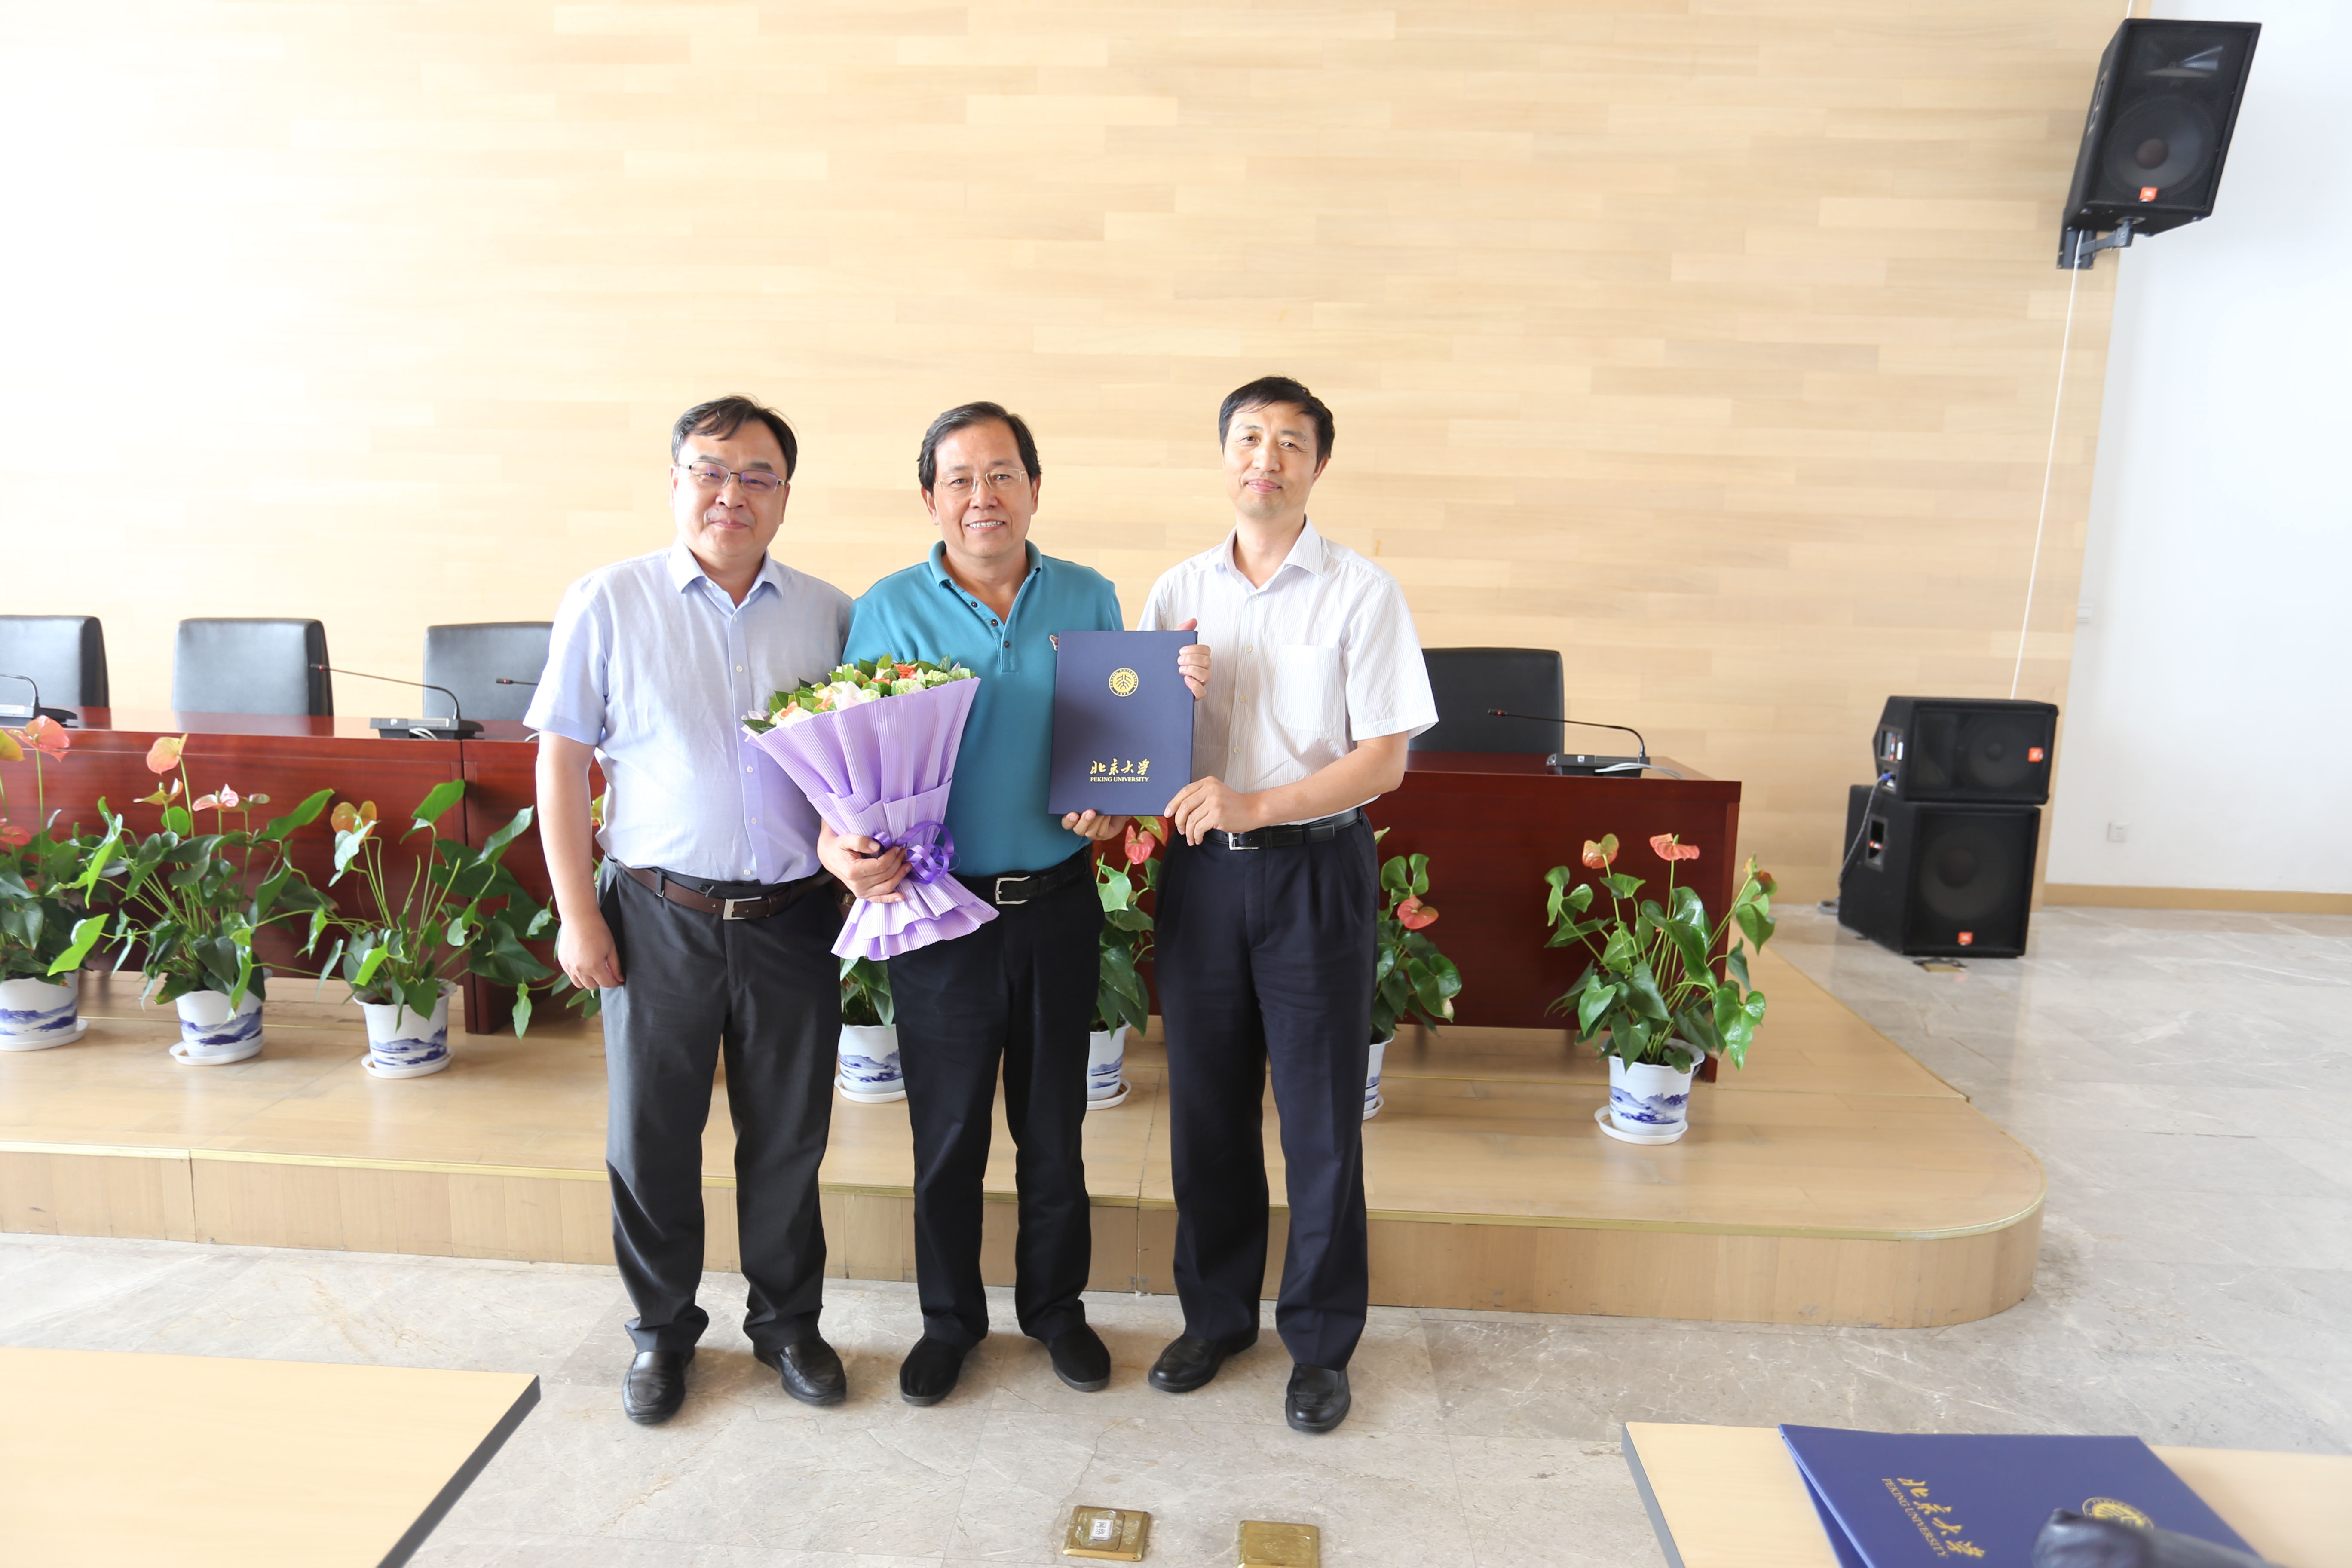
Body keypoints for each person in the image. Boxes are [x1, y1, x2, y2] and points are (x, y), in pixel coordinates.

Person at [823, 401, 1207, 1406]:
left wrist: (1114, 800)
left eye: (1002, 474)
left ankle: (1055, 1308)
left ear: (1035, 488)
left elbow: (1119, 738)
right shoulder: (887, 609)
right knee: (947, 1135)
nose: (982, 496)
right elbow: (854, 756)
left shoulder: (1088, 594)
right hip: (938, 912)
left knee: (1054, 1128)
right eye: (959, 478)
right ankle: (948, 1321)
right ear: (930, 498)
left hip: (1056, 905)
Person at [529, 395, 854, 1425]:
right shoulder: (608, 600)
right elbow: (561, 764)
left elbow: (865, 760)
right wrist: (578, 915)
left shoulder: (829, 614)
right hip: (656, 916)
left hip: (795, 918)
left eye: (758, 476)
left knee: (789, 1137)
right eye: (711, 471)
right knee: (651, 1139)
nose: (732, 494)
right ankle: (661, 1334)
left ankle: (788, 1324)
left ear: (786, 496)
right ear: (676, 483)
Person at [1137, 376, 1437, 1434]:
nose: (1266, 458)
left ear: (1318, 465)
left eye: (1290, 443)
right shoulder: (1177, 590)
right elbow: (1138, 753)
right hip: (1203, 880)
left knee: (1320, 1122)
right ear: (1225, 455)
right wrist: (1165, 703)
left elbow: (1385, 760)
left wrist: (1257, 804)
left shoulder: (1363, 592)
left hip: (1315, 874)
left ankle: (1320, 1343)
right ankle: (1216, 1320)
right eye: (1249, 438)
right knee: (1207, 1115)